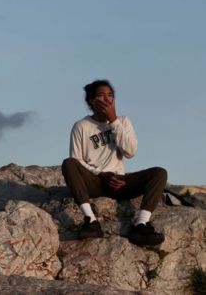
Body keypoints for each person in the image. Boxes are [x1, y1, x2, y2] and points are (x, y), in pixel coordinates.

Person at [61, 79, 167, 246]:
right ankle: (91, 221)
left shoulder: (123, 121)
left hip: (120, 183)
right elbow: (77, 160)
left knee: (159, 173)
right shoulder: (81, 126)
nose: (107, 99)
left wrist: (113, 121)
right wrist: (101, 174)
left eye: (110, 95)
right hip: (95, 182)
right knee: (68, 163)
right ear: (91, 100)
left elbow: (130, 152)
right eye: (101, 95)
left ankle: (141, 225)